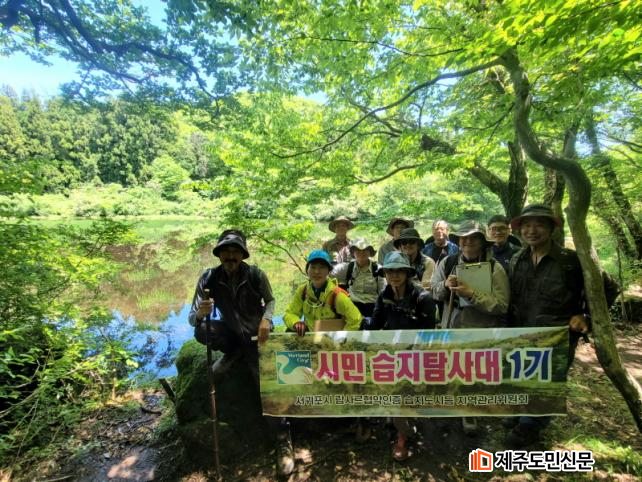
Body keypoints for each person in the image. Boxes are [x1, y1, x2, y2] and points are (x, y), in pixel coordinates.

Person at [188, 230, 293, 476]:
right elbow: (192, 318)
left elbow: (271, 301)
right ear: (219, 254)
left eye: (235, 251)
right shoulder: (209, 278)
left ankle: (283, 440)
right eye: (225, 251)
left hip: (257, 337)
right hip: (233, 335)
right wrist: (201, 313)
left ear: (243, 254)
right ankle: (234, 353)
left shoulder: (255, 274)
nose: (230, 256)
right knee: (202, 331)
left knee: (265, 386)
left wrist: (267, 319)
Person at [506, 204, 589, 447]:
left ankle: (531, 427)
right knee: (524, 373)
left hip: (557, 334)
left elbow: (606, 287)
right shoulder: (517, 259)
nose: (532, 231)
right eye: (527, 225)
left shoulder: (570, 261)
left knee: (548, 381)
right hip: (523, 330)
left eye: (539, 225)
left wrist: (585, 315)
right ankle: (523, 413)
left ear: (552, 228)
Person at [431, 220, 510, 435]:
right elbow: (433, 290)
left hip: (481, 327)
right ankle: (448, 405)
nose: (468, 242)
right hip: (451, 323)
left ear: (483, 241)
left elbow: (501, 305)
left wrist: (472, 294)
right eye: (463, 238)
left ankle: (469, 411)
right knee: (450, 365)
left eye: (474, 238)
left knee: (473, 371)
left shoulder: (494, 268)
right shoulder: (448, 262)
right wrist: (445, 286)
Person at [363, 251, 436, 461]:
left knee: (405, 392)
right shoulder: (384, 295)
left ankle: (403, 437)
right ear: (385, 274)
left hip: (416, 353)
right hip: (392, 351)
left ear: (407, 273)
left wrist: (414, 354)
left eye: (399, 271)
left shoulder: (423, 298)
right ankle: (397, 419)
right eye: (389, 271)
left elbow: (428, 333)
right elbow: (375, 324)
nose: (394, 275)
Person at [284, 249, 363, 335]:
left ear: (328, 271)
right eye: (313, 267)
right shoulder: (303, 290)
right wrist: (296, 323)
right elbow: (290, 313)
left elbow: (355, 318)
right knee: (290, 330)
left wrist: (342, 337)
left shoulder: (337, 295)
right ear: (307, 270)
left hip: (330, 338)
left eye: (322, 267)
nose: (317, 272)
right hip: (309, 336)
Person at [331, 238, 386, 317]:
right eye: (358, 250)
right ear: (353, 253)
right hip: (352, 306)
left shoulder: (378, 269)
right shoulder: (347, 267)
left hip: (373, 307)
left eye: (365, 250)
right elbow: (329, 273)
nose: (361, 253)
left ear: (370, 252)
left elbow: (383, 291)